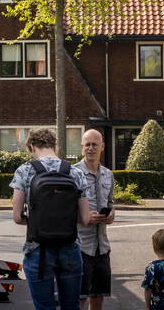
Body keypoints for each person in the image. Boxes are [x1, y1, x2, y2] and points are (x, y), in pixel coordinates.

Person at [10, 127, 93, 310]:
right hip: (70, 248)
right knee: (71, 306)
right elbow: (85, 219)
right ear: (54, 145)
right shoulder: (75, 172)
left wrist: (38, 222)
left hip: (38, 249)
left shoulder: (24, 171)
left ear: (32, 146)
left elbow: (17, 217)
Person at [74, 129, 114, 310]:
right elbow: (64, 210)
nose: (90, 148)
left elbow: (111, 203)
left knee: (99, 296)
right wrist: (83, 217)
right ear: (82, 147)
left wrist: (111, 214)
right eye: (87, 144)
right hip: (81, 247)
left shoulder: (108, 175)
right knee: (80, 298)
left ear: (102, 147)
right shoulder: (73, 174)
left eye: (94, 144)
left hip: (102, 247)